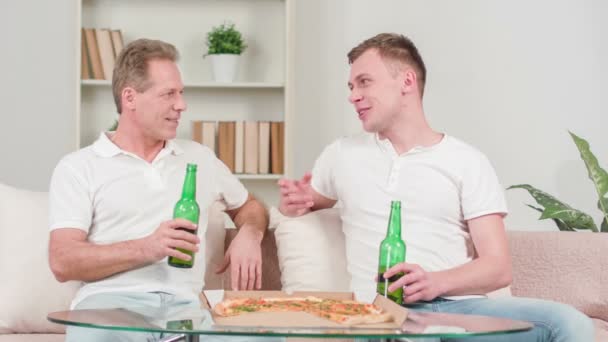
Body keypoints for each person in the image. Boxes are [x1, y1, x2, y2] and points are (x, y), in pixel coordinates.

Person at [278, 33, 594, 341]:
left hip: (461, 309)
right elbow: (308, 202)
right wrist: (297, 201)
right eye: (350, 86)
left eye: (364, 82)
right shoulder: (340, 155)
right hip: (384, 313)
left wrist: (434, 283)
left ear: (406, 82)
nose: (352, 95)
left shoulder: (467, 160)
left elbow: (498, 269)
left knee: (570, 323)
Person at [49, 39, 268, 341]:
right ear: (130, 98)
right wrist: (147, 248)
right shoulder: (79, 166)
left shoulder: (199, 158)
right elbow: (62, 261)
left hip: (187, 310)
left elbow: (250, 207)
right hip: (109, 308)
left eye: (181, 93)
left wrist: (250, 233)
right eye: (168, 94)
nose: (182, 105)